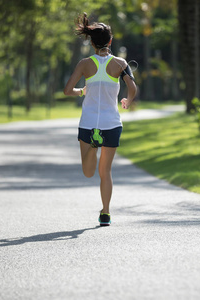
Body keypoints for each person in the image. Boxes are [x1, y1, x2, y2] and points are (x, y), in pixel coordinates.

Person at [64, 13, 137, 226]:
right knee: (105, 171)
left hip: (88, 124)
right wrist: (127, 100)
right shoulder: (120, 63)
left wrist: (82, 91)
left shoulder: (85, 64)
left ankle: (93, 146)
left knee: (88, 172)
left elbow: (67, 90)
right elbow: (132, 87)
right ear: (110, 41)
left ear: (91, 42)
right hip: (112, 124)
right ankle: (106, 213)